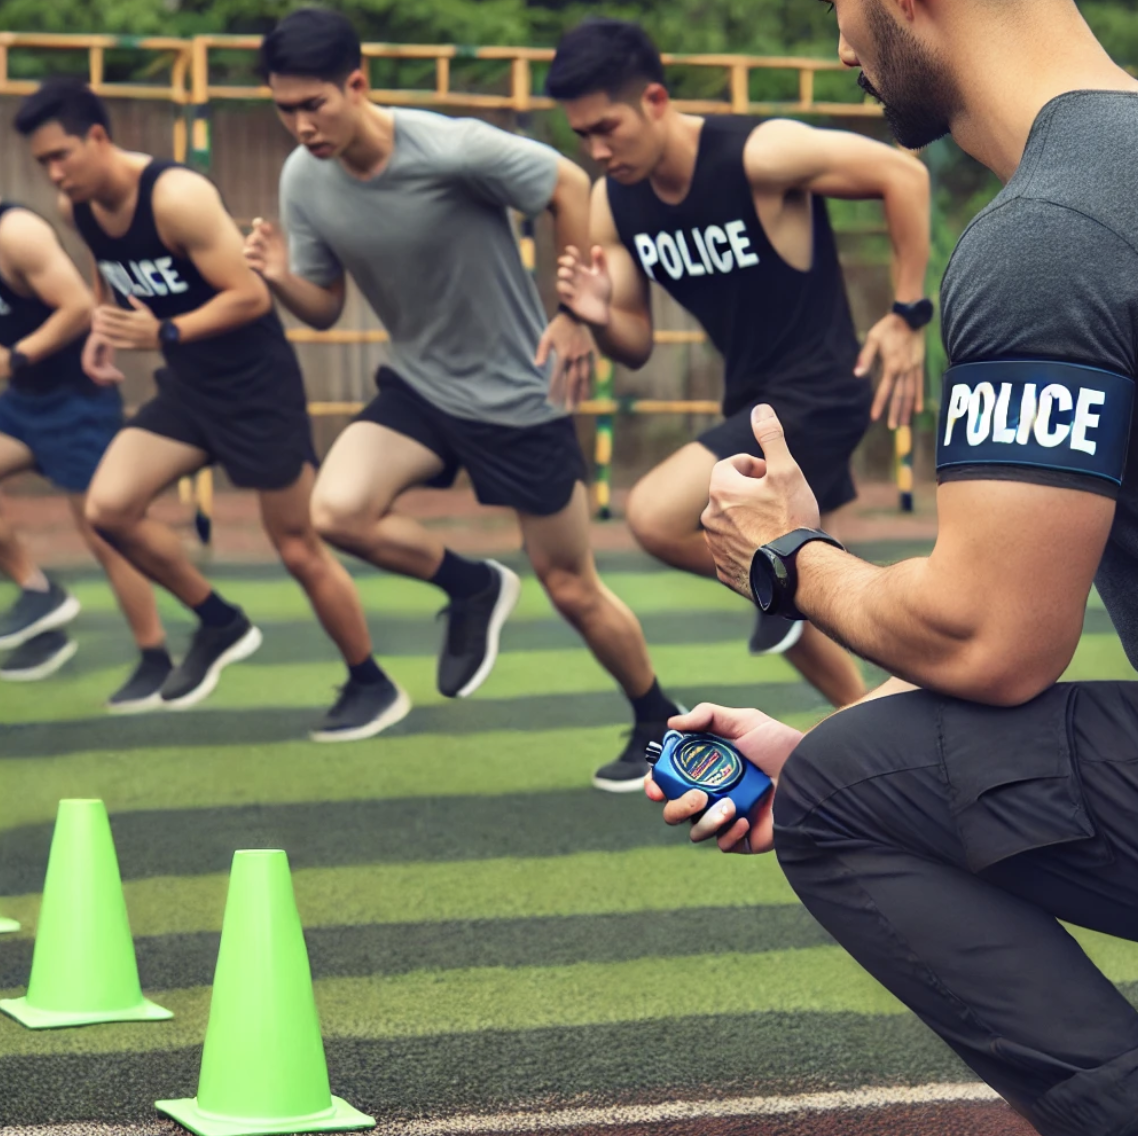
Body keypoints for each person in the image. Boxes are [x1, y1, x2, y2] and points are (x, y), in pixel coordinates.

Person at [650, 0, 1138, 1131]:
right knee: (850, 760)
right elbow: (1021, 597)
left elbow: (992, 636)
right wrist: (837, 727)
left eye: (842, 9)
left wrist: (786, 556)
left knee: (841, 798)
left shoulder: (1052, 233)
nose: (840, 48)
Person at [245, 7, 682, 790]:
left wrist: (574, 313)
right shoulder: (302, 179)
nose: (302, 126)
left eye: (314, 104)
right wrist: (279, 277)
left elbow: (569, 183)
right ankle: (470, 584)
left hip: (520, 397)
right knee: (336, 511)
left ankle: (657, 717)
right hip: (420, 386)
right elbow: (324, 307)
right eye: (285, 109)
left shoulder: (450, 148)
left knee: (571, 585)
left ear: (356, 84)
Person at [547, 19, 932, 710]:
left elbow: (902, 174)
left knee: (658, 517)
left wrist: (907, 315)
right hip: (752, 401)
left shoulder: (758, 154)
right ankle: (863, 723)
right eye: (583, 137)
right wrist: (599, 316)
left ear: (655, 101)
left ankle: (789, 583)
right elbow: (634, 346)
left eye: (607, 128)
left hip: (819, 392)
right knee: (806, 604)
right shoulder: (613, 203)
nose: (598, 151)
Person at [15, 78, 409, 741]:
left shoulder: (177, 198)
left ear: (98, 138)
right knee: (110, 510)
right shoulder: (76, 204)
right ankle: (219, 621)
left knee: (298, 546)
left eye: (61, 156)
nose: (53, 173)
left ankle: (371, 681)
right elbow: (108, 268)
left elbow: (250, 298)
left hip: (255, 388)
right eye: (42, 162)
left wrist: (164, 331)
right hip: (188, 387)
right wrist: (106, 329)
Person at [0, 197, 172, 707]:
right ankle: (40, 598)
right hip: (22, 404)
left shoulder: (16, 234)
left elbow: (77, 307)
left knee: (106, 533)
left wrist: (15, 358)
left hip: (77, 403)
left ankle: (156, 659)